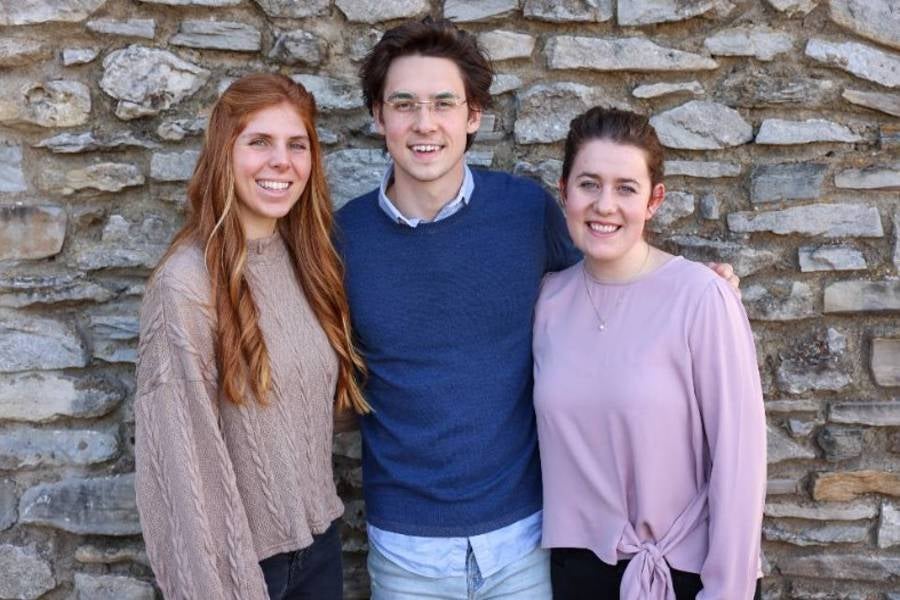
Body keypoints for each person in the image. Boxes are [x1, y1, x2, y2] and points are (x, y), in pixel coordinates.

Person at [335, 18, 741, 600]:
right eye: (404, 104)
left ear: (472, 116)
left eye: (443, 103)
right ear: (379, 117)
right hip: (405, 550)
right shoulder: (342, 239)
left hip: (525, 542)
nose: (424, 123)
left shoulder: (526, 211)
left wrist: (697, 287)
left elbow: (601, 277)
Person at [134, 73, 368, 600]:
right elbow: (183, 468)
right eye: (259, 141)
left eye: (296, 145)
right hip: (246, 569)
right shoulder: (186, 284)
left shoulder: (309, 263)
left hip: (321, 546)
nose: (281, 161)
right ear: (224, 152)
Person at [533, 107, 766, 600]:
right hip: (578, 576)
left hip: (685, 574)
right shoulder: (547, 302)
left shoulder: (701, 297)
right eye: (589, 184)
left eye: (626, 188)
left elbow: (740, 462)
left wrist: (727, 591)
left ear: (654, 200)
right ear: (564, 192)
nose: (604, 205)